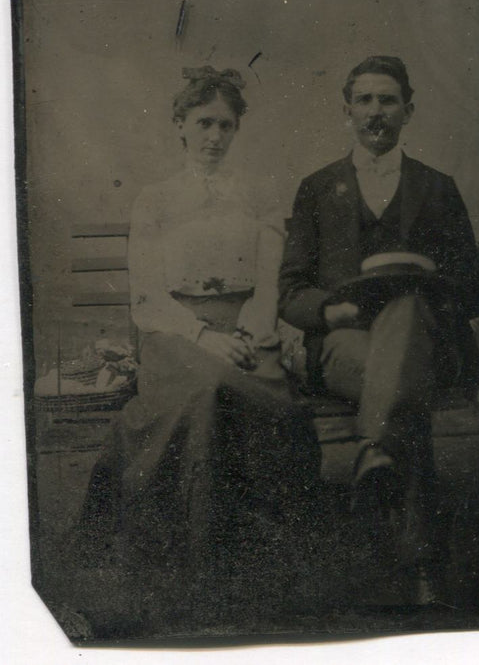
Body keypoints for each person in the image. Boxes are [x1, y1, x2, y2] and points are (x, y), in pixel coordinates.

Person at [79, 66, 319, 628]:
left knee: (258, 404)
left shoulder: (258, 194)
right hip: (176, 335)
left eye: (226, 125)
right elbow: (147, 300)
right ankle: (192, 575)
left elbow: (268, 283)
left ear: (237, 131)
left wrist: (253, 332)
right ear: (180, 126)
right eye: (203, 123)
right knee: (207, 389)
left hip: (247, 334)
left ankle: (255, 578)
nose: (215, 136)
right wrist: (205, 336)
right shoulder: (156, 199)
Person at [278, 56, 479, 600]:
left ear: (408, 111)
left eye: (387, 100)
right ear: (347, 110)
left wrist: (426, 287)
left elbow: (474, 287)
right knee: (402, 390)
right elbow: (291, 290)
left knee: (410, 318)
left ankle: (375, 457)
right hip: (344, 343)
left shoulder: (438, 188)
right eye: (365, 100)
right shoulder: (318, 188)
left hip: (425, 338)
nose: (376, 112)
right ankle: (422, 565)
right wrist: (331, 311)